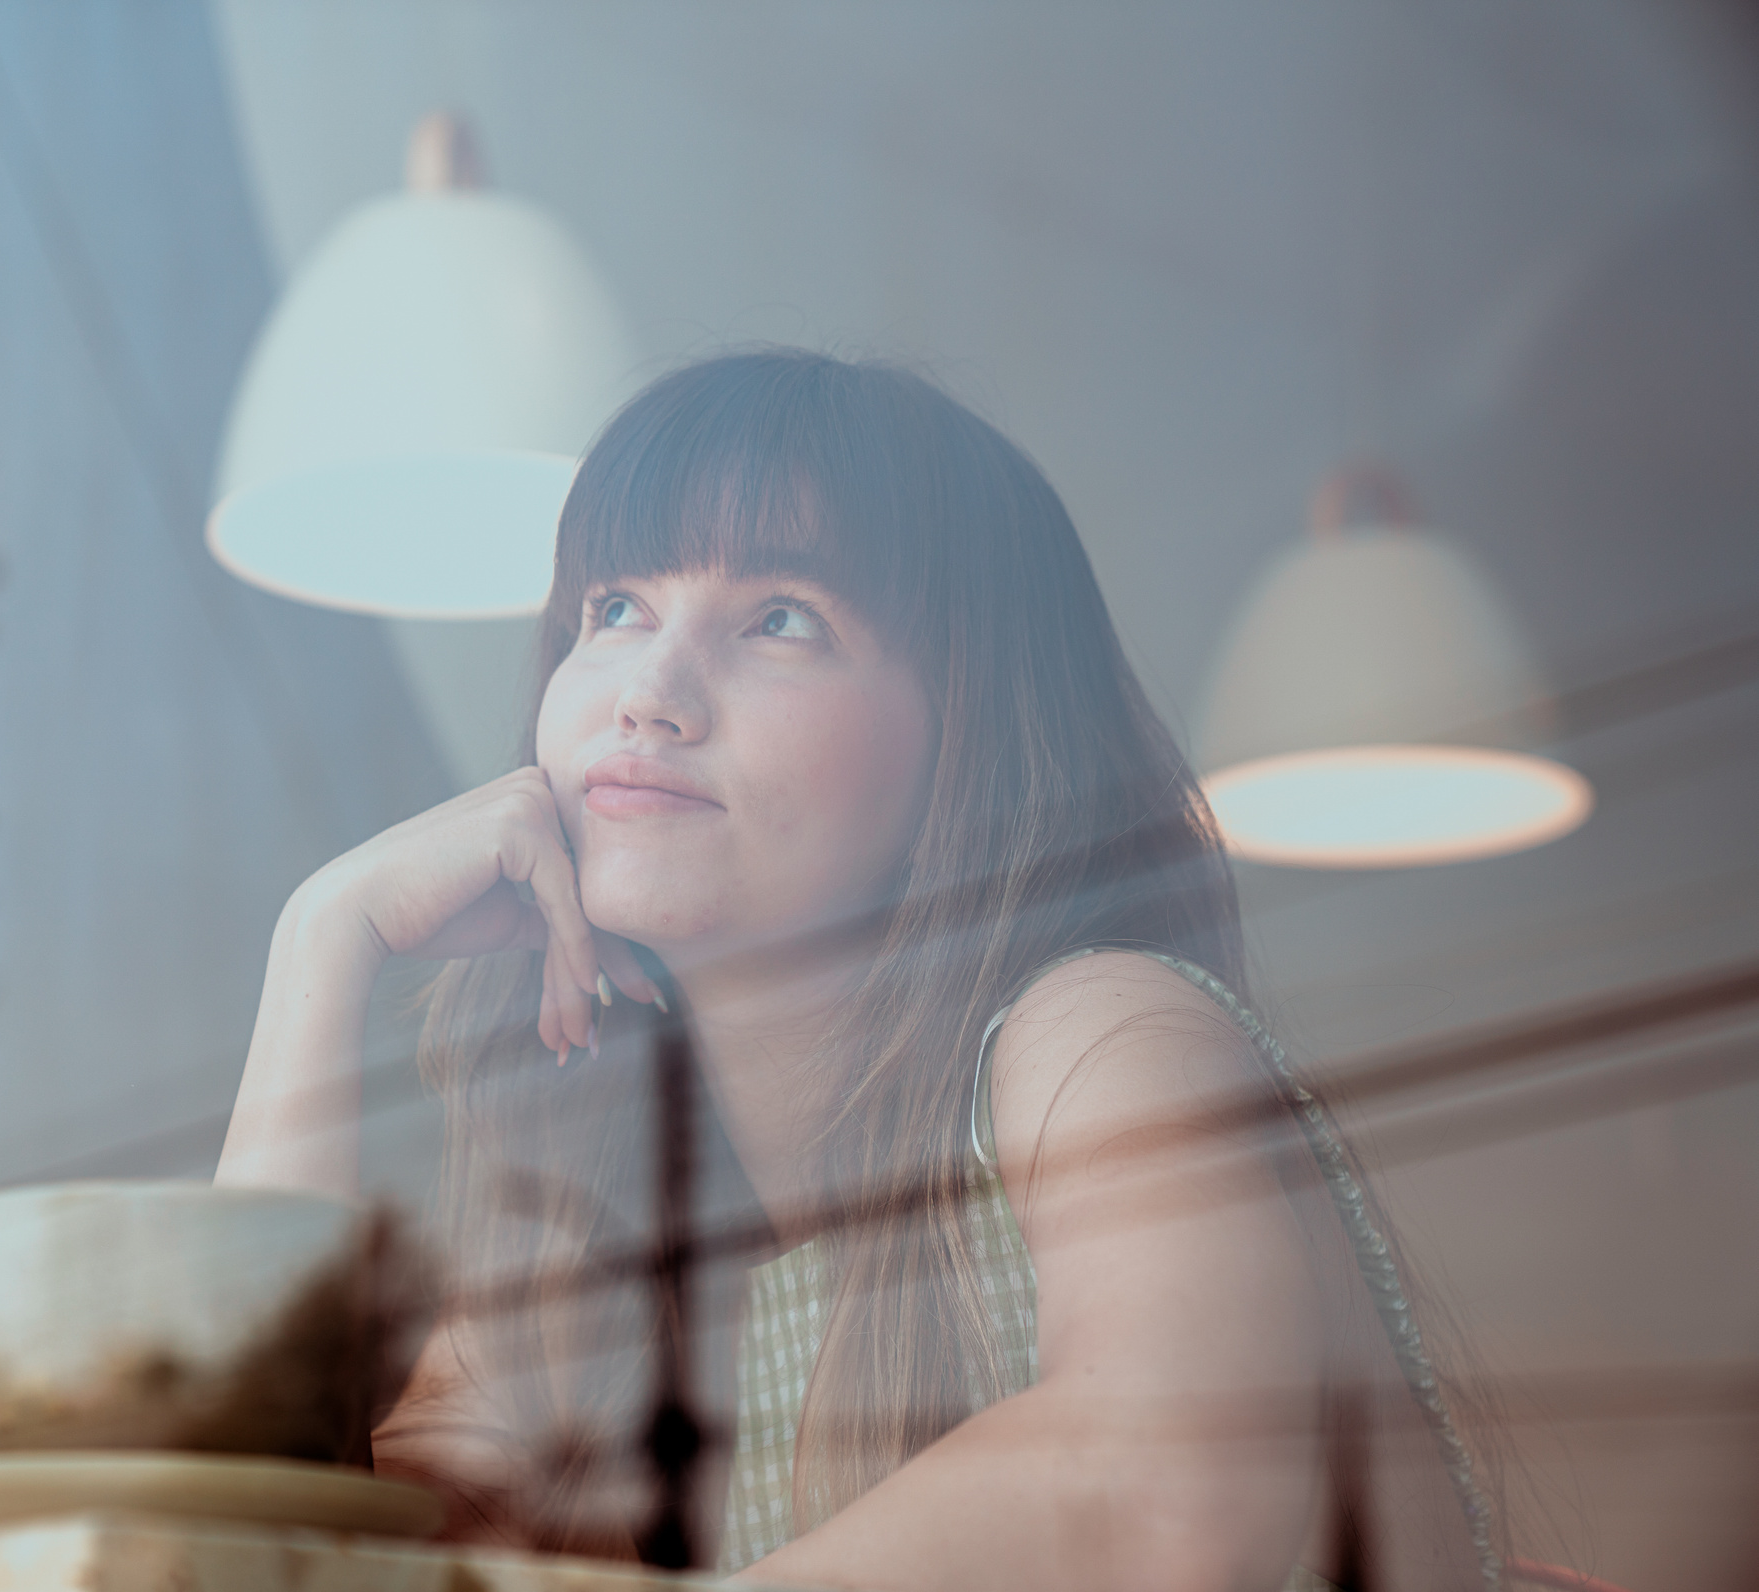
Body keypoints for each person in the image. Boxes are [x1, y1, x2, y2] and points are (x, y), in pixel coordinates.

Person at [218, 350, 1497, 1591]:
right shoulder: (605, 1227)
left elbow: (1162, 1496)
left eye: (781, 620)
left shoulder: (1096, 1030)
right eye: (614, 608)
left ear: (968, 725)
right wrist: (321, 948)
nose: (649, 693)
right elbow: (239, 1546)